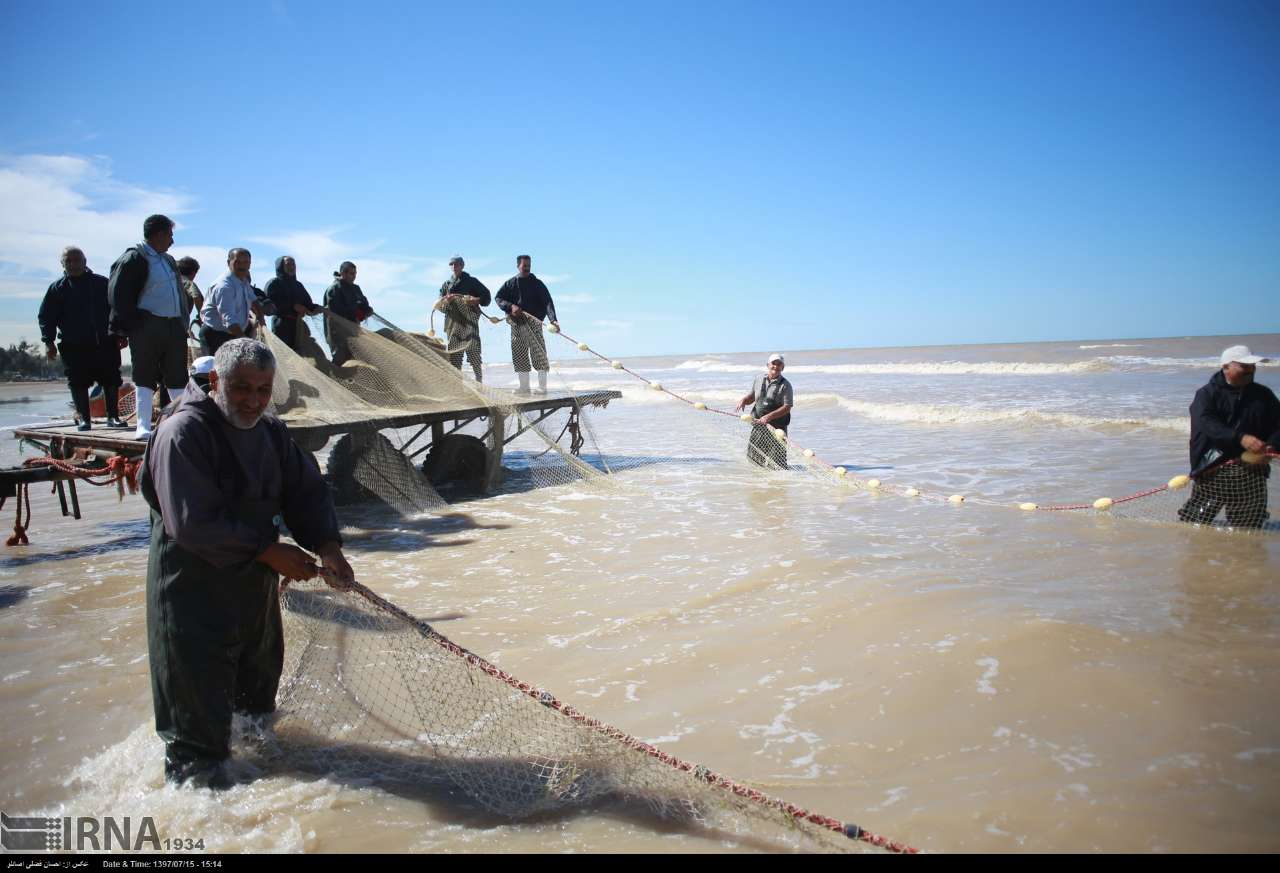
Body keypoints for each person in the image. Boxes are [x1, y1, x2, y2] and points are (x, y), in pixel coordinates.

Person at [139, 338, 355, 788]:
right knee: (196, 743)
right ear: (215, 381)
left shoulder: (270, 431)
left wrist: (327, 545)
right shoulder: (184, 432)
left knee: (256, 714)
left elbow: (305, 490)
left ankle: (265, 797)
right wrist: (270, 551)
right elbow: (192, 524)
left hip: (252, 595)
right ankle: (204, 818)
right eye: (241, 388)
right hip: (190, 593)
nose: (253, 401)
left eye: (263, 390)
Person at [108, 214, 194, 438]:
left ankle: (184, 421)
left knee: (177, 374)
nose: (172, 241)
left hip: (173, 325)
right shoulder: (134, 258)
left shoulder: (166, 260)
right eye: (170, 235)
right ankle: (143, 425)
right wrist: (126, 325)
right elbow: (118, 294)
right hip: (147, 324)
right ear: (159, 234)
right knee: (144, 373)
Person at [1178, 345, 1279, 528]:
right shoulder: (1206, 394)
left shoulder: (1264, 395)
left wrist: (1271, 446)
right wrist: (1241, 438)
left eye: (1253, 365)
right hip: (1213, 468)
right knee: (1194, 523)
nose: (1251, 370)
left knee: (1249, 526)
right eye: (1244, 365)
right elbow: (1207, 424)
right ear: (1226, 367)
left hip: (1252, 470)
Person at [38, 246, 127, 430]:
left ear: (85, 262)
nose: (73, 264)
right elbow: (46, 317)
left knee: (111, 379)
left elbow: (117, 309)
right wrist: (48, 342)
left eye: (76, 260)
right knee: (77, 382)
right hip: (74, 345)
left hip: (104, 342)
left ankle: (113, 417)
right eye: (68, 261)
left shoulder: (102, 283)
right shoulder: (57, 289)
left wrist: (121, 333)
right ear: (62, 264)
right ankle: (85, 419)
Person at [495, 255, 558, 394]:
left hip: (535, 323)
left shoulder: (537, 283)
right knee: (519, 354)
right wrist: (511, 307)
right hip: (517, 324)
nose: (527, 268)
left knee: (539, 354)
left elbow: (548, 301)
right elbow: (498, 298)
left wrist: (553, 320)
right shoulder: (510, 283)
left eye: (529, 265)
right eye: (524, 266)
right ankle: (524, 387)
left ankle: (542, 387)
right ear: (518, 266)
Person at [436, 255, 491, 382]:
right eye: (452, 265)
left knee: (474, 354)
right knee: (454, 356)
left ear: (462, 265)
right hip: (452, 325)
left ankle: (479, 381)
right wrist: (446, 302)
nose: (454, 267)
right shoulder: (446, 284)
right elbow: (438, 305)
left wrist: (476, 300)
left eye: (457, 264)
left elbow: (486, 297)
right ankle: (457, 385)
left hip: (469, 324)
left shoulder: (471, 281)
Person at [735, 353, 794, 468]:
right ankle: (759, 485)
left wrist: (769, 417)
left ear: (783, 368)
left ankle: (776, 485)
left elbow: (787, 407)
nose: (776, 367)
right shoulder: (758, 379)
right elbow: (752, 397)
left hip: (777, 429)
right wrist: (744, 400)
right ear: (768, 365)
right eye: (773, 363)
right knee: (754, 461)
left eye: (779, 364)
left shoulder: (786, 385)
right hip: (759, 426)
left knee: (777, 466)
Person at [200, 249, 262, 357]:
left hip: (233, 334)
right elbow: (228, 319)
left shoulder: (243, 280)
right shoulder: (224, 286)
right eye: (238, 262)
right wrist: (245, 340)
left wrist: (260, 316)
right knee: (217, 370)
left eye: (246, 262)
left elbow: (253, 299)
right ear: (229, 262)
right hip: (216, 335)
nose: (242, 266)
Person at [264, 256, 319, 352]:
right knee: (284, 355)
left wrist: (317, 309)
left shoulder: (298, 285)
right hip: (281, 325)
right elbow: (270, 306)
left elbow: (308, 304)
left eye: (293, 264)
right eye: (288, 264)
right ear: (281, 267)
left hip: (298, 326)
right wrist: (292, 307)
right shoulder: (273, 284)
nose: (292, 267)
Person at [323, 261, 372, 366]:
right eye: (351, 273)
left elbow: (363, 304)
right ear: (343, 273)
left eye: (355, 273)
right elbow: (336, 311)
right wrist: (355, 313)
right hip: (338, 333)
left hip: (354, 330)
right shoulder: (334, 289)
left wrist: (366, 310)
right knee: (341, 358)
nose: (354, 276)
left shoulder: (356, 288)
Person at [176, 256, 203, 327]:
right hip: (178, 324)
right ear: (193, 273)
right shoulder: (188, 283)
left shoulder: (171, 281)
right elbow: (196, 296)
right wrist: (203, 318)